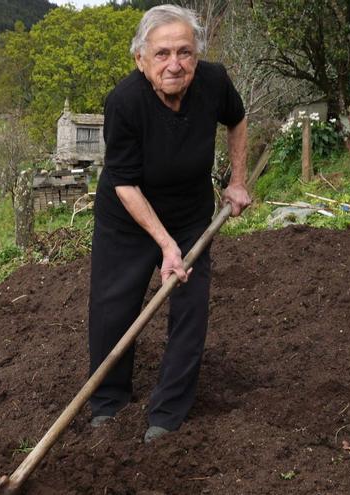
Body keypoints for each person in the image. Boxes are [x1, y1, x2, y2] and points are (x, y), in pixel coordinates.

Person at [88, 4, 250, 443]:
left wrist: (236, 181)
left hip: (189, 211)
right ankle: (107, 400)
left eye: (184, 52)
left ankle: (169, 409)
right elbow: (123, 182)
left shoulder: (214, 82)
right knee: (113, 305)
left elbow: (236, 121)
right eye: (162, 54)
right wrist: (164, 244)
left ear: (197, 55)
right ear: (141, 59)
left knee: (190, 306)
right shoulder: (124, 102)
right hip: (128, 214)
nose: (174, 64)